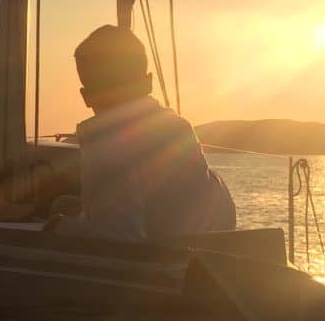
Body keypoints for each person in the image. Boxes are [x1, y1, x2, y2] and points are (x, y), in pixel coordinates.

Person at [72, 24, 235, 238]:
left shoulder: (104, 150)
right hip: (191, 262)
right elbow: (223, 212)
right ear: (148, 82)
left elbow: (115, 245)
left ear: (86, 96)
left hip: (151, 267)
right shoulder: (181, 131)